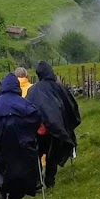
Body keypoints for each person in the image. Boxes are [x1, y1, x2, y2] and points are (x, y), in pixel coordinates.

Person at [0, 73, 43, 199]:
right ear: (17, 87)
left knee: (1, 164)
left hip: (1, 142)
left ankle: (1, 192)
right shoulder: (25, 103)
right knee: (20, 171)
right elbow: (36, 118)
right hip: (21, 144)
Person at [26, 61, 82, 189]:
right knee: (52, 154)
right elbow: (71, 106)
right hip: (56, 128)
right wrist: (68, 124)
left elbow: (27, 108)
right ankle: (50, 180)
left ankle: (38, 180)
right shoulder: (60, 88)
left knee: (37, 153)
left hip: (38, 129)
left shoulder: (32, 90)